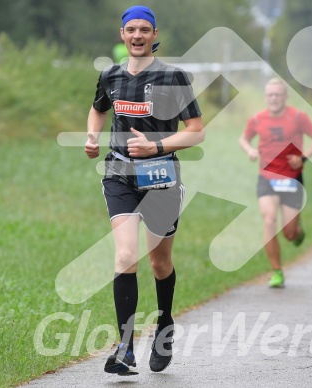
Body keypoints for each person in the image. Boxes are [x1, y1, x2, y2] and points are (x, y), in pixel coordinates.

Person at [84, 5, 204, 375]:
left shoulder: (174, 76)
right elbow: (97, 109)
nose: (137, 35)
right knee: (125, 257)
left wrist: (156, 147)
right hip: (119, 174)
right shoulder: (110, 75)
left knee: (159, 262)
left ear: (154, 35)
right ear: (122, 34)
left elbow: (196, 129)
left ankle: (164, 324)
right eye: (131, 29)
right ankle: (125, 349)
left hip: (160, 178)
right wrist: (92, 136)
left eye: (145, 30)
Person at [239, 78, 312, 288]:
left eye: (277, 94)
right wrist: (250, 150)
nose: (273, 98)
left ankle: (297, 231)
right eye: (270, 94)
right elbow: (244, 139)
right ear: (265, 97)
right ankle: (276, 271)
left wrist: (303, 157)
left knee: (289, 233)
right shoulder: (257, 119)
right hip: (267, 177)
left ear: (285, 97)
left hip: (292, 178)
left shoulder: (297, 117)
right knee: (269, 219)